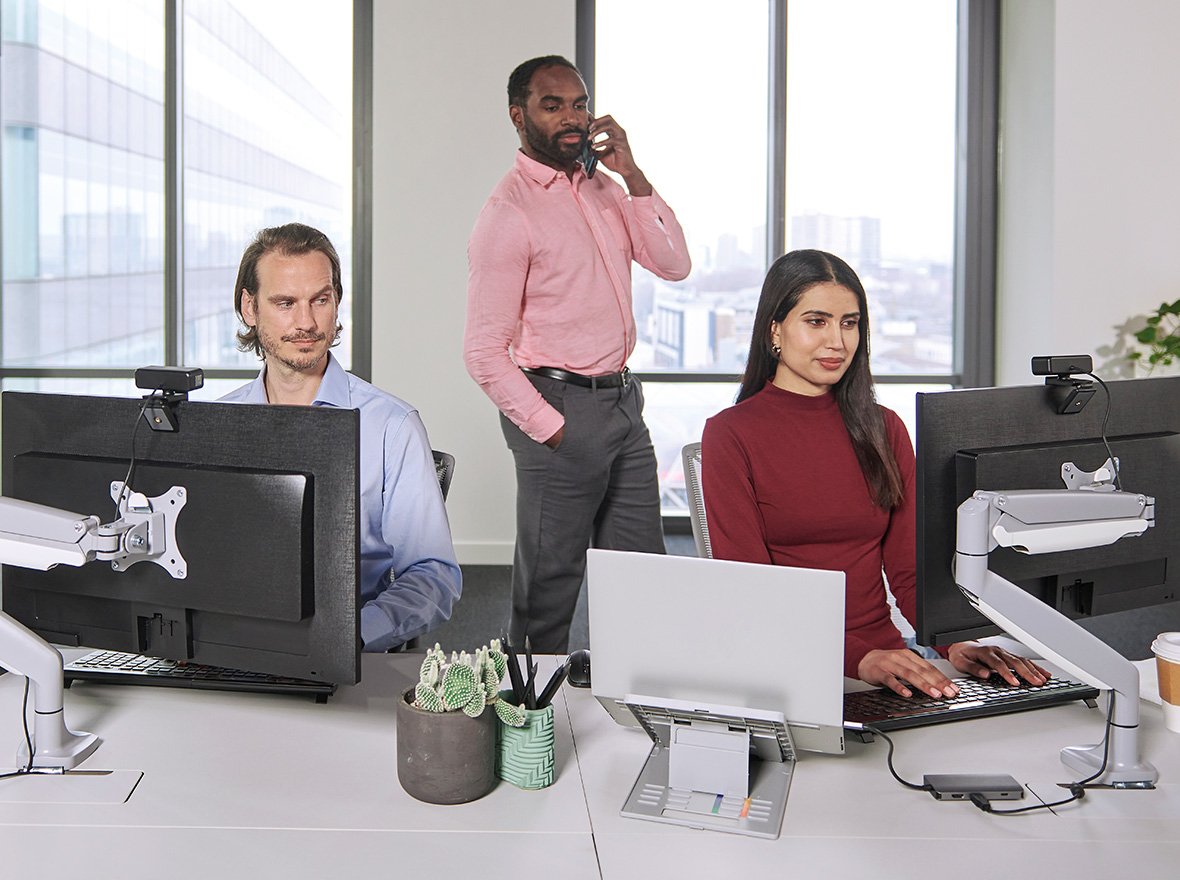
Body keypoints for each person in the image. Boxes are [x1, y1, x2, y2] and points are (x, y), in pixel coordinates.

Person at [701, 249, 1047, 699]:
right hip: (787, 663)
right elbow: (752, 592)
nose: (837, 342)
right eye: (816, 321)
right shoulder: (730, 435)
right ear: (775, 330)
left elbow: (909, 571)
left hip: (888, 666)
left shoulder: (884, 428)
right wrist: (858, 660)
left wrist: (954, 640)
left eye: (850, 323)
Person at [465, 55, 691, 653]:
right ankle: (529, 724)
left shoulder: (606, 190)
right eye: (552, 105)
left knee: (643, 573)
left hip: (621, 404)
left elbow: (674, 264)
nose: (572, 117)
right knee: (550, 585)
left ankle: (642, 701)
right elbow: (484, 352)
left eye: (579, 103)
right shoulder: (507, 214)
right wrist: (553, 431)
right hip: (558, 406)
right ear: (518, 116)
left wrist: (634, 176)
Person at [223, 222, 461, 652]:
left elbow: (433, 575)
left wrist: (347, 637)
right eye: (285, 303)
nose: (307, 322)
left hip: (345, 653)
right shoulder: (214, 425)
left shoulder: (391, 426)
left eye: (321, 300)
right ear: (250, 308)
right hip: (230, 646)